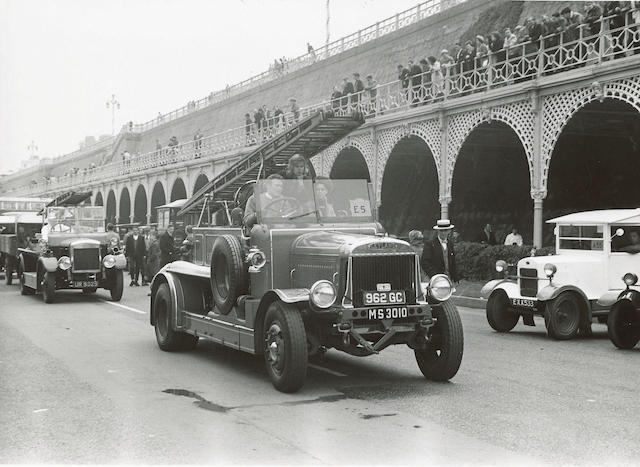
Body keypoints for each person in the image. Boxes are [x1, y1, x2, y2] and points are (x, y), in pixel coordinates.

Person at [146, 232, 161, 296]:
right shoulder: (156, 243)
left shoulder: (154, 244)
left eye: (151, 235)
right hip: (155, 262)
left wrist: (149, 260)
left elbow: (154, 254)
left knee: (153, 277)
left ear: (154, 236)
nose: (150, 237)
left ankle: (153, 291)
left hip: (153, 263)